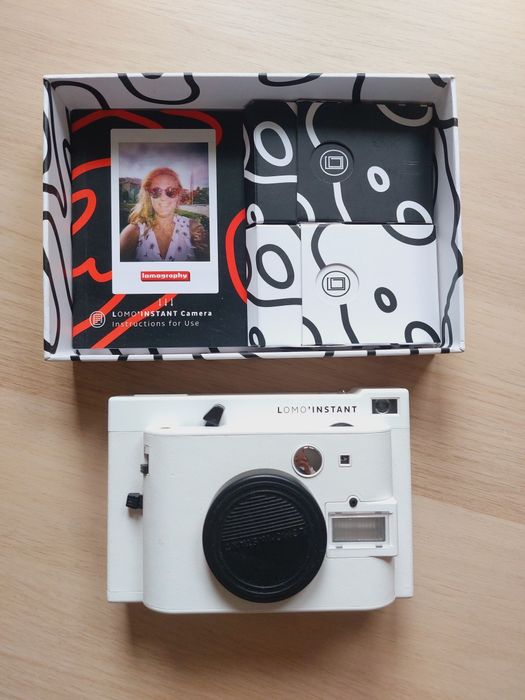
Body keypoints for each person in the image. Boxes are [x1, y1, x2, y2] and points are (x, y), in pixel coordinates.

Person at [119, 167, 208, 262]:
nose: (163, 198)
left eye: (171, 191)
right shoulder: (133, 232)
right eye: (156, 191)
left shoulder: (193, 229)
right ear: (149, 196)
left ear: (178, 195)